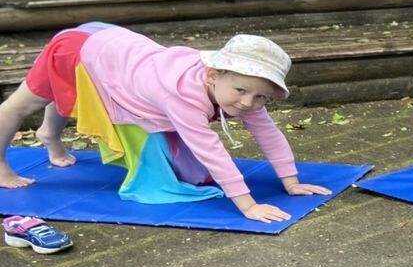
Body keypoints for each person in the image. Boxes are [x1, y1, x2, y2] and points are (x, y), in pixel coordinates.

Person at [0, 24, 323, 223]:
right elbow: (210, 149)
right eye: (242, 92)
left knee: (67, 91)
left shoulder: (242, 87)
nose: (248, 103)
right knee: (21, 105)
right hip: (79, 49)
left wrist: (290, 181)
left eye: (260, 98)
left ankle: (49, 136)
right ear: (212, 76)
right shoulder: (181, 94)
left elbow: (268, 132)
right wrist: (248, 205)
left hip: (113, 45)